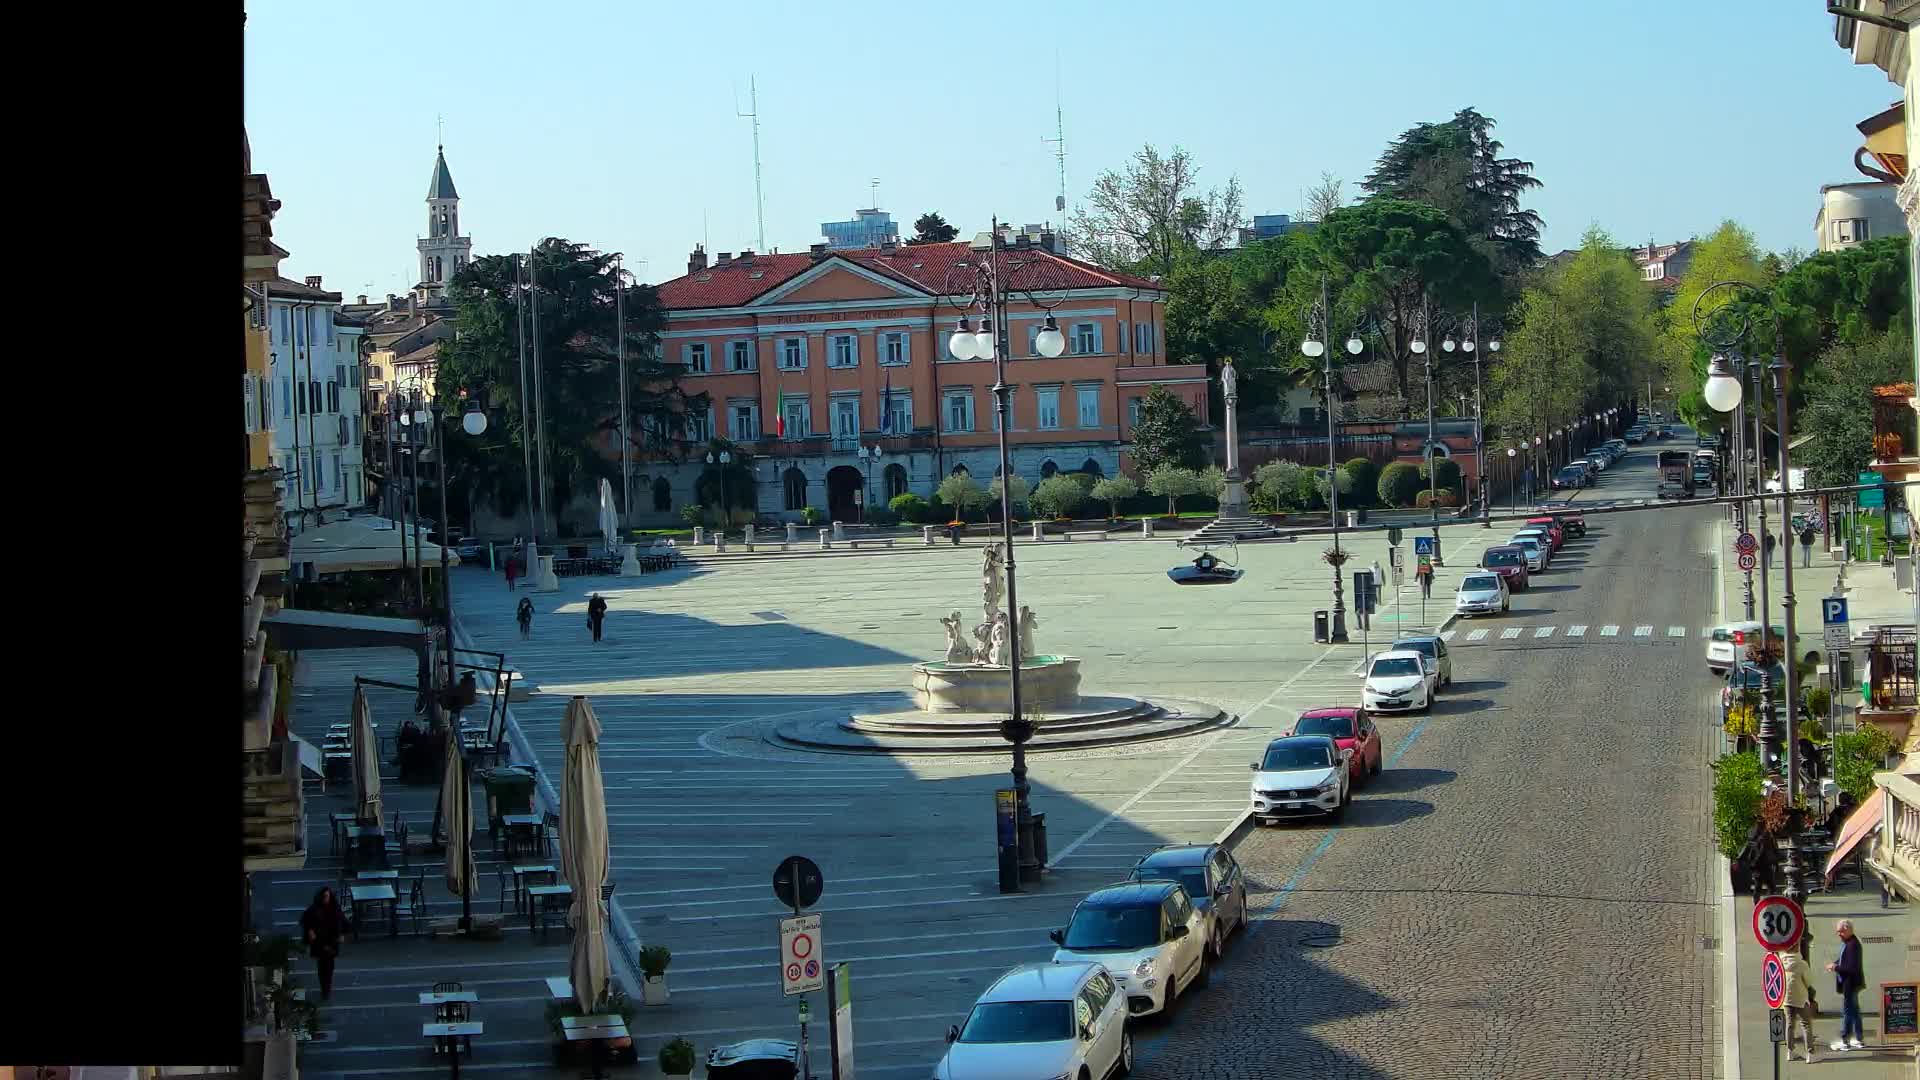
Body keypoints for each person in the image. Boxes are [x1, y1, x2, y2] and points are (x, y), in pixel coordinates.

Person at [300, 886, 350, 1000]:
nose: (325, 899)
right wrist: (310, 931)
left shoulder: (334, 908)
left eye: (327, 896)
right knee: (323, 965)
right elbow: (306, 920)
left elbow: (342, 921)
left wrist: (342, 934)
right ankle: (325, 988)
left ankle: (326, 987)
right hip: (320, 941)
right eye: (324, 896)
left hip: (331, 940)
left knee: (329, 965)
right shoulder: (314, 909)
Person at [1826, 918, 1867, 1051]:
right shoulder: (1848, 942)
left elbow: (1851, 968)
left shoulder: (1852, 945)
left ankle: (1845, 1040)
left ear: (1848, 930)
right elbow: (1843, 959)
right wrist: (1835, 963)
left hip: (1850, 984)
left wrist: (1836, 968)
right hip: (1851, 984)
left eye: (1841, 932)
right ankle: (1859, 1039)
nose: (1839, 934)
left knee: (1847, 1012)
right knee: (1854, 1012)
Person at [1780, 947, 1817, 1063]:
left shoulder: (1780, 961)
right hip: (1800, 999)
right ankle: (1810, 1054)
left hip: (1786, 997)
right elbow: (1809, 981)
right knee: (1806, 1025)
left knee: (1789, 1024)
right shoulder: (1802, 964)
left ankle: (1790, 1052)